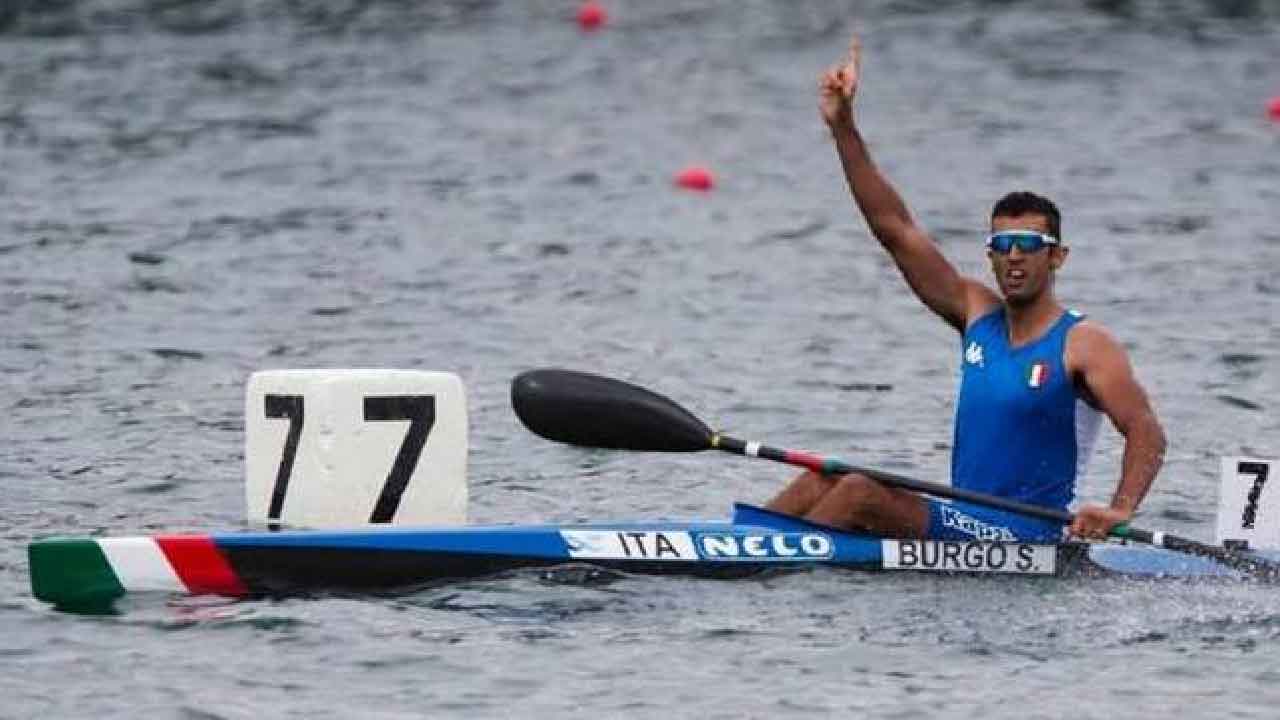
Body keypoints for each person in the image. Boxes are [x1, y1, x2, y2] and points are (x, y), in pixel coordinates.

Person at [766, 36, 1167, 542]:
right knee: (823, 476)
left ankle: (762, 566)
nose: (1014, 254)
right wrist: (844, 128)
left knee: (859, 493)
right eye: (1002, 244)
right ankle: (725, 547)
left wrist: (1118, 511)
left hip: (1030, 535)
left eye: (1028, 242)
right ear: (991, 256)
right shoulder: (976, 312)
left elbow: (1147, 431)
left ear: (1057, 256)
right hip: (965, 519)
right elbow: (896, 230)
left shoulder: (1084, 344)